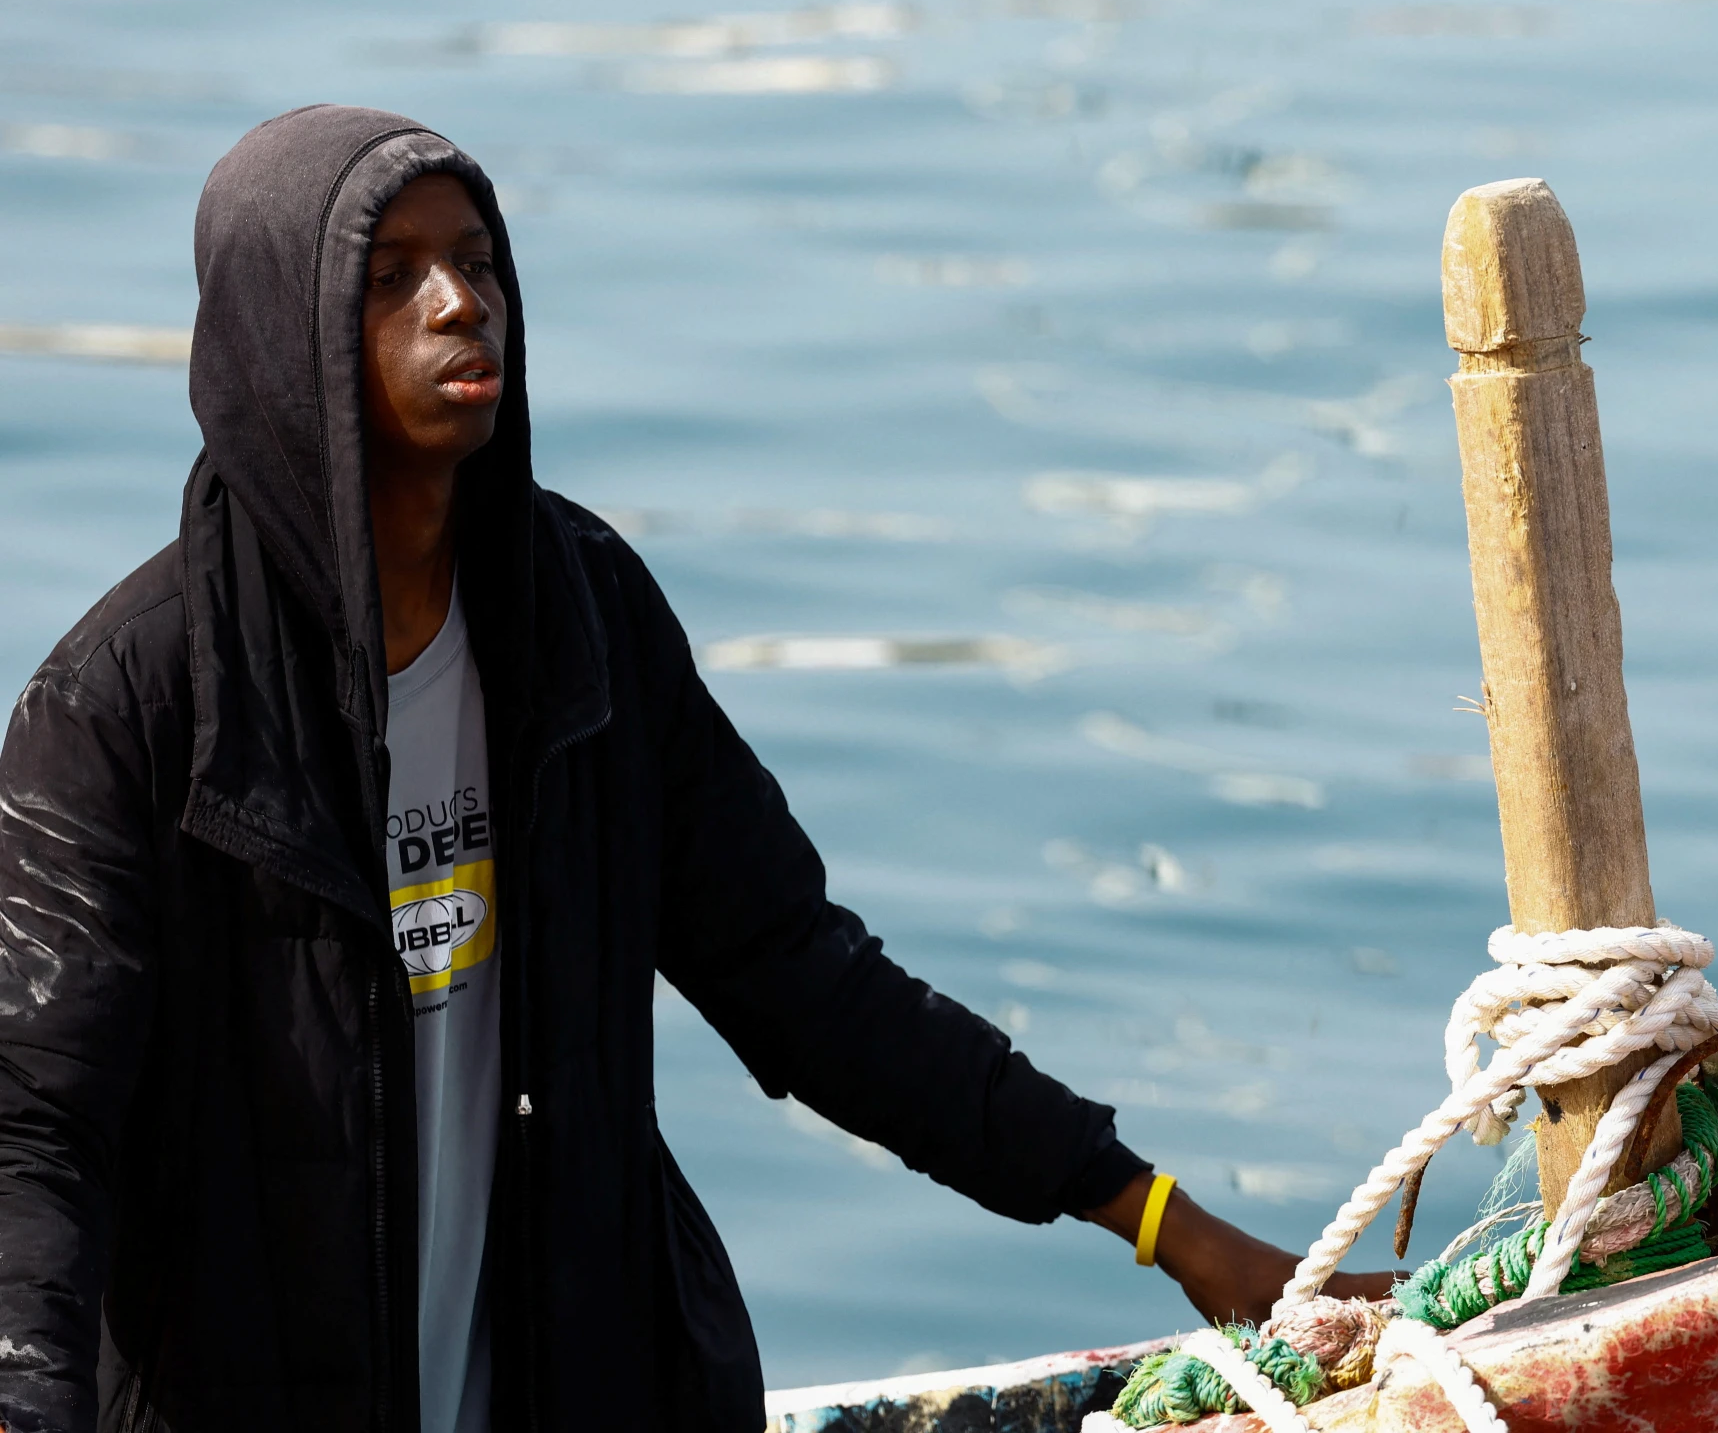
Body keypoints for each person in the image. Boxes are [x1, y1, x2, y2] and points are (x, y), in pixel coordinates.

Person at [0, 106, 1384, 1433]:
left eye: (476, 263)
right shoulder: (130, 706)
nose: (459, 304)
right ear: (272, 344)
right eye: (389, 279)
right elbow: (34, 1131)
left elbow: (802, 977)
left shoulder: (583, 619)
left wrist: (1162, 1222)